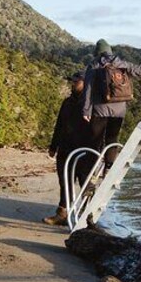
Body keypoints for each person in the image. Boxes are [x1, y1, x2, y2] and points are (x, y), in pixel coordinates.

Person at [81, 39, 141, 172]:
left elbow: (88, 89)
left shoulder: (95, 65)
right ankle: (109, 167)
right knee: (112, 138)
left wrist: (86, 110)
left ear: (97, 52)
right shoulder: (122, 64)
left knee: (95, 140)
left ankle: (92, 169)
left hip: (100, 109)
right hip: (119, 110)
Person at [43, 72, 91, 226]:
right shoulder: (67, 102)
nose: (73, 84)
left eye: (77, 81)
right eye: (73, 81)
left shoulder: (92, 103)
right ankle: (63, 213)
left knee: (86, 182)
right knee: (65, 181)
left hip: (85, 150)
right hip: (65, 147)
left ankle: (87, 217)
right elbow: (59, 125)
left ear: (85, 83)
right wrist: (53, 146)